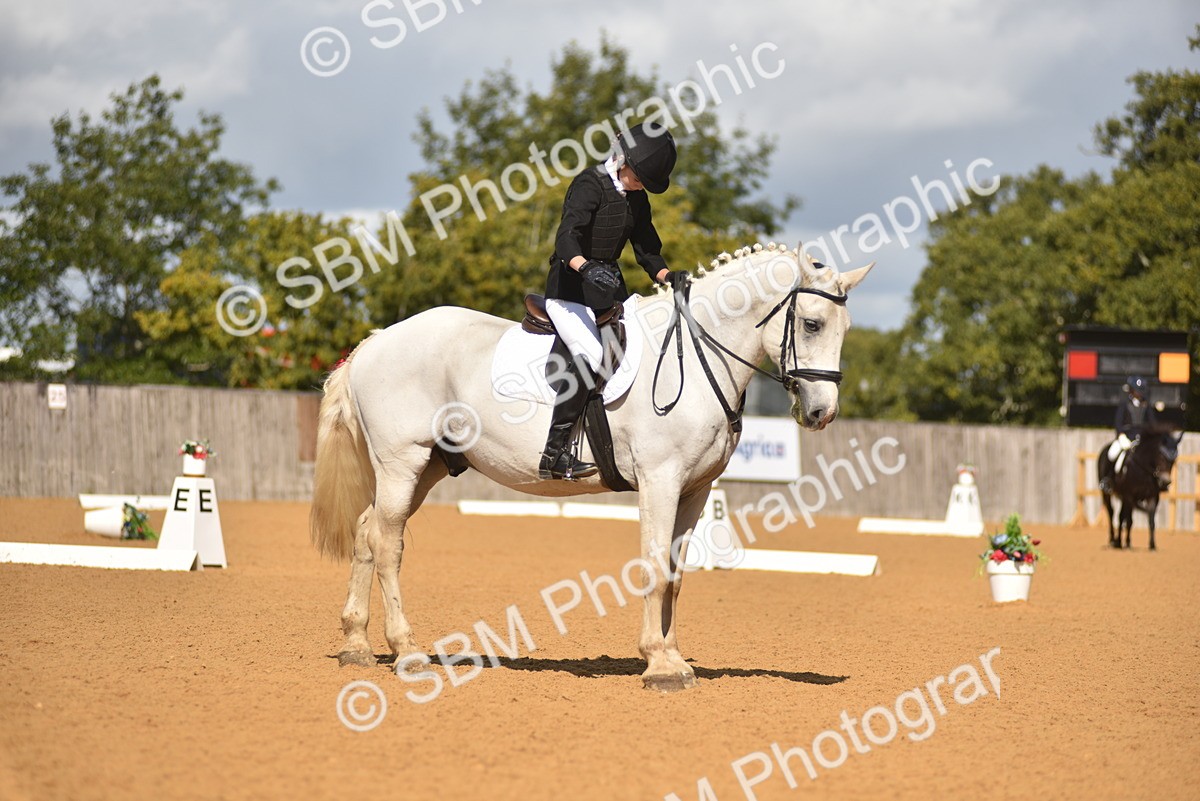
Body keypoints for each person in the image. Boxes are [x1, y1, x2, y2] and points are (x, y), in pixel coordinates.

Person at [538, 121, 687, 480]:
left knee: (638, 345)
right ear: (623, 161)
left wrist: (669, 277)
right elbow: (566, 237)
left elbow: (647, 250)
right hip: (570, 288)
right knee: (591, 354)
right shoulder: (589, 185)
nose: (640, 186)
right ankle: (553, 454)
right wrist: (585, 267)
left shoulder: (637, 199)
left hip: (608, 290)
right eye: (639, 177)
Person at [1101, 375, 1158, 491]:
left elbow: (1152, 423)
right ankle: (1108, 479)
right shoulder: (1124, 404)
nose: (1140, 394)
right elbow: (1118, 422)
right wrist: (1121, 434)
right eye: (1137, 391)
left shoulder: (1147, 405)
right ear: (1132, 391)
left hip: (1142, 438)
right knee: (1112, 453)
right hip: (1126, 437)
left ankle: (1156, 480)